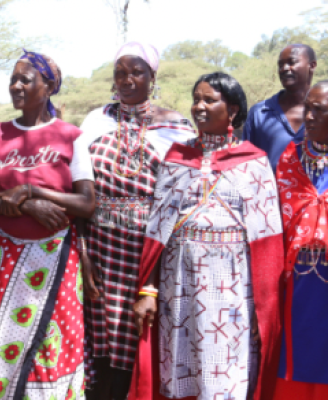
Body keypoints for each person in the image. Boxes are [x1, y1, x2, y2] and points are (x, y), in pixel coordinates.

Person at [129, 72, 283, 400]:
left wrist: (263, 307)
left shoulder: (254, 164)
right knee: (180, 373)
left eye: (209, 100)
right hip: (178, 288)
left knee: (225, 378)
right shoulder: (175, 159)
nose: (199, 106)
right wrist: (148, 290)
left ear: (234, 110)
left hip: (232, 292)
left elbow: (268, 243)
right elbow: (156, 235)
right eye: (196, 98)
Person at [0, 49, 96, 400]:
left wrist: (34, 191)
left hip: (56, 259)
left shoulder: (71, 136)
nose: (16, 85)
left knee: (52, 345)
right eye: (12, 79)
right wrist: (27, 208)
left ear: (48, 86)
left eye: (26, 79)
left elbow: (86, 203)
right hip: (4, 259)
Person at [78, 42, 196, 400]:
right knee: (98, 344)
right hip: (98, 248)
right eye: (120, 72)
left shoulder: (177, 127)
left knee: (139, 339)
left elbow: (182, 204)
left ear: (152, 76)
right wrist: (83, 257)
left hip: (149, 253)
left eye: (137, 72)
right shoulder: (95, 120)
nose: (127, 79)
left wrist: (154, 281)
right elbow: (80, 191)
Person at [272, 80, 328, 399]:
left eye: (318, 111)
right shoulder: (290, 158)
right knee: (294, 356)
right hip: (296, 281)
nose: (308, 117)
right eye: (307, 109)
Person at [243, 44, 317, 170]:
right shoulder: (259, 113)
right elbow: (245, 162)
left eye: (292, 62)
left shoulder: (323, 113)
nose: (284, 68)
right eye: (280, 65)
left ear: (312, 65)